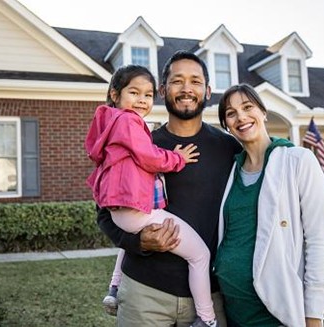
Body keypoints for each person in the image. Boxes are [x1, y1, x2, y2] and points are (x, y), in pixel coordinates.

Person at [97, 51, 242, 327]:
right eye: (177, 81)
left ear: (208, 91)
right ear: (162, 90)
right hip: (144, 293)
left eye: (195, 81)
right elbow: (105, 213)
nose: (187, 88)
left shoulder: (229, 148)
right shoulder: (139, 143)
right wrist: (138, 242)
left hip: (211, 294)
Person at [213, 83, 324, 327]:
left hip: (275, 312)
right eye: (231, 113)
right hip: (232, 310)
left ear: (263, 112)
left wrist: (314, 316)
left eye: (248, 107)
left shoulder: (298, 160)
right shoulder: (231, 170)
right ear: (226, 125)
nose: (241, 117)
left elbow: (318, 240)